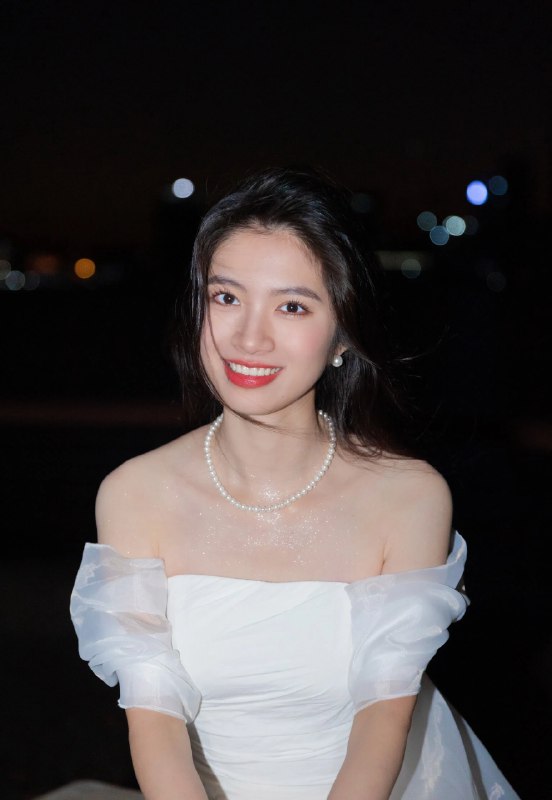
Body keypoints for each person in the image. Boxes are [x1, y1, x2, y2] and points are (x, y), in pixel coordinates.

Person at [70, 167, 519, 800]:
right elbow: (154, 723)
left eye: (292, 306)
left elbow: (382, 723)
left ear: (342, 335)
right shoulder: (135, 494)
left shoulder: (409, 498)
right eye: (227, 298)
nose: (249, 337)